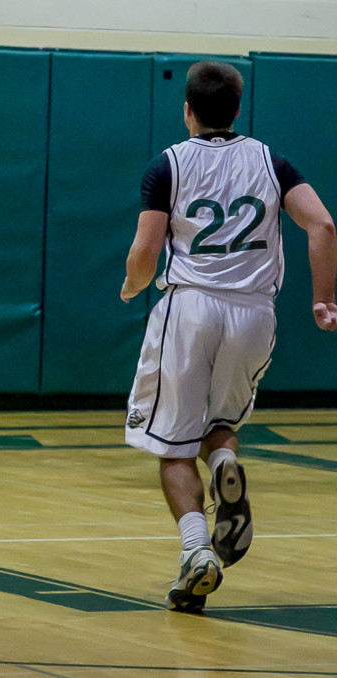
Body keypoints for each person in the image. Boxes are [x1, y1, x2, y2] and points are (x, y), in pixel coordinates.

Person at [120, 61, 337, 612]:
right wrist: (323, 298)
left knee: (172, 445)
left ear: (187, 109)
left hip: (190, 308)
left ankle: (197, 551)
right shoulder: (272, 161)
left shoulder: (167, 164)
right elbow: (323, 226)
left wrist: (131, 286)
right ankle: (223, 467)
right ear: (238, 109)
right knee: (221, 426)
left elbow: (146, 252)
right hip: (254, 313)